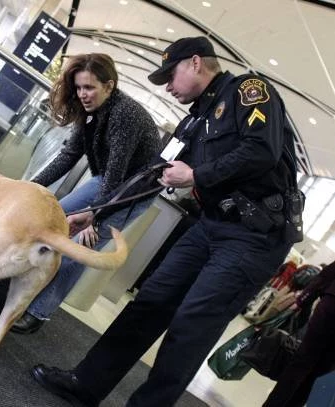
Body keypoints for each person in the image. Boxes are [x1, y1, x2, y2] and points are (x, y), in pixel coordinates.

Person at [30, 36, 299, 406]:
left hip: (252, 237)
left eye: (170, 76)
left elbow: (261, 150)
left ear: (194, 63)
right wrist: (97, 213)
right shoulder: (194, 121)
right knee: (149, 303)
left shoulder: (249, 91)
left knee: (191, 324)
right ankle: (86, 383)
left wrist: (196, 176)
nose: (167, 87)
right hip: (209, 226)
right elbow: (151, 174)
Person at [11, 53, 162, 334]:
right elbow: (68, 156)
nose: (83, 94)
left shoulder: (125, 114)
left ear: (109, 85)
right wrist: (29, 187)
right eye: (79, 87)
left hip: (133, 193)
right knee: (51, 220)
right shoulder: (89, 110)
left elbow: (117, 173)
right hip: (107, 179)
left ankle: (37, 312)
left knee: (81, 245)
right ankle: (17, 286)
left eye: (89, 87)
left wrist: (95, 216)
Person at [263, 260, 335, 407]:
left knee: (302, 362)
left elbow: (326, 275)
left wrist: (303, 300)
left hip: (331, 307)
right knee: (321, 371)